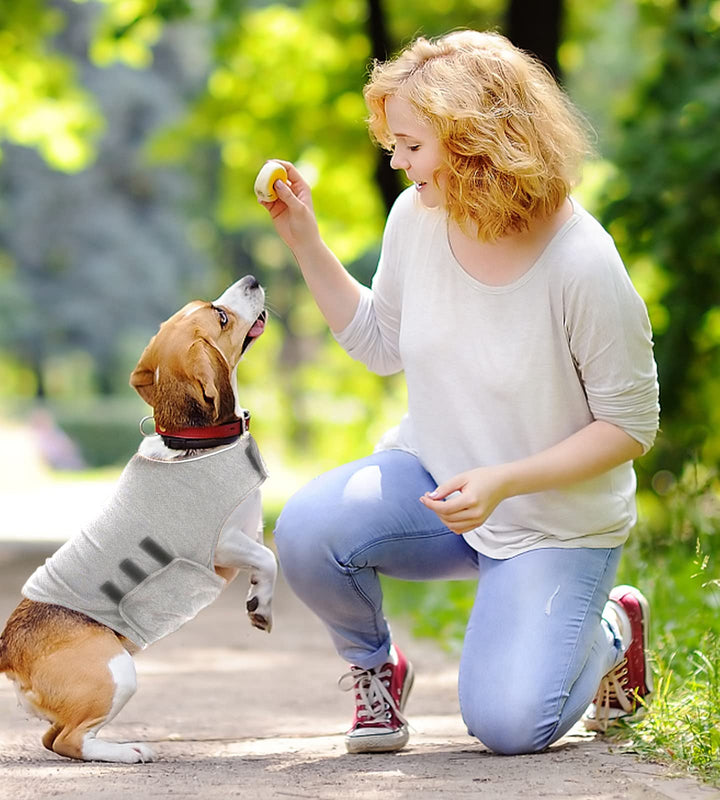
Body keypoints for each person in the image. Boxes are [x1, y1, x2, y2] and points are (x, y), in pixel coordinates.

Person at [258, 29, 659, 756]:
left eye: (410, 145)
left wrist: (506, 481)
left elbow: (630, 427)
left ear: (476, 140)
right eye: (392, 145)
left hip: (551, 520)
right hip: (438, 485)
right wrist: (305, 242)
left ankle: (612, 629)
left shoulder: (583, 262)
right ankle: (376, 671)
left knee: (508, 728)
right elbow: (381, 344)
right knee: (308, 532)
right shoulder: (418, 217)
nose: (397, 162)